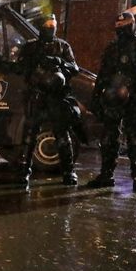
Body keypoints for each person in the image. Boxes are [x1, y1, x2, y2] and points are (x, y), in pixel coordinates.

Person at [88, 11, 136, 193]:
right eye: (118, 27)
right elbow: (103, 75)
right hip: (114, 98)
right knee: (109, 139)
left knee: (135, 140)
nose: (121, 31)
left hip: (135, 100)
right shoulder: (112, 48)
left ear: (132, 25)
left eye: (124, 26)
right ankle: (106, 175)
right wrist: (96, 97)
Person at [13, 14, 82, 188]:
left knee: (62, 135)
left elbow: (74, 68)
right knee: (30, 135)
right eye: (48, 25)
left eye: (54, 25)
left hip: (57, 97)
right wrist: (35, 64)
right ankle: (24, 172)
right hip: (37, 95)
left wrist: (59, 62)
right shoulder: (31, 47)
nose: (51, 28)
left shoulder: (62, 46)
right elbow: (19, 68)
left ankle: (68, 171)